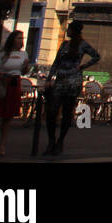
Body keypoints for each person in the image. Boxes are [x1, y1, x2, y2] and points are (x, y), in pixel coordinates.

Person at [44, 21, 101, 156]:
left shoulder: (82, 44)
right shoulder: (64, 45)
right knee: (51, 111)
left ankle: (60, 141)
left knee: (67, 112)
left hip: (73, 81)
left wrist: (82, 67)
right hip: (60, 80)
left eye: (69, 28)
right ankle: (51, 140)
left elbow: (96, 56)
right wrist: (49, 78)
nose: (67, 30)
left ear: (73, 30)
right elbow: (56, 63)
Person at [0, 31, 28, 159]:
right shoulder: (2, 54)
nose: (20, 40)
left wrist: (26, 67)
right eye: (18, 38)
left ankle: (2, 145)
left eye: (22, 38)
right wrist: (1, 75)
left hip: (14, 84)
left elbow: (23, 71)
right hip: (1, 84)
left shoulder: (23, 54)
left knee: (8, 117)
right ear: (12, 39)